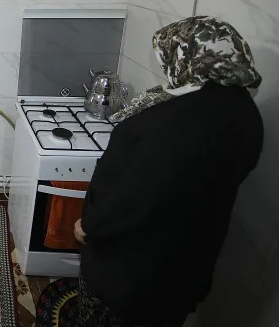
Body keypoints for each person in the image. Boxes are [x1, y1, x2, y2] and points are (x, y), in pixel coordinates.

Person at [74, 16, 264, 327]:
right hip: (186, 266)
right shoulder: (245, 113)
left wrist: (90, 225)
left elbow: (136, 199)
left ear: (189, 57)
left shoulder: (179, 122)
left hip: (129, 270)